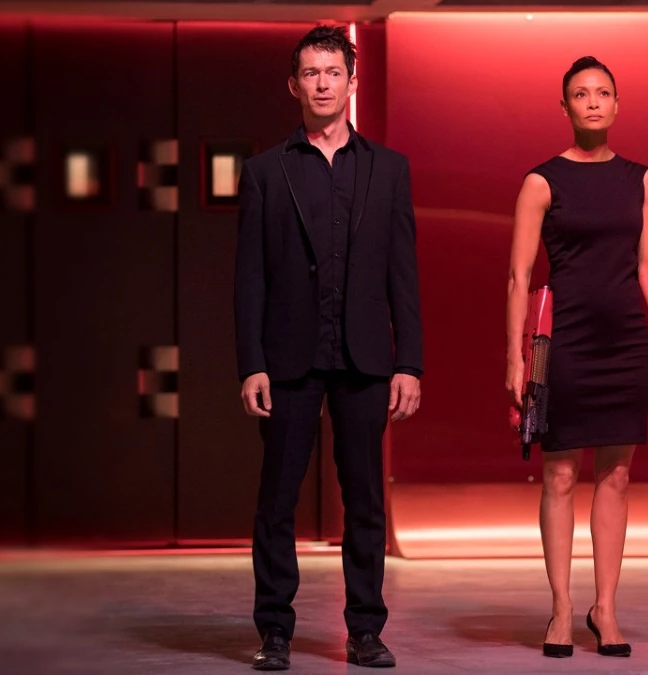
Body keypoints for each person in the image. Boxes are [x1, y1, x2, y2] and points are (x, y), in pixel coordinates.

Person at [235, 24, 423, 671]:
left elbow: (403, 273)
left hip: (365, 359)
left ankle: (366, 630)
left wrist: (409, 362)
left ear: (351, 82)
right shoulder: (265, 171)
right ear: (294, 85)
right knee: (277, 501)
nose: (322, 84)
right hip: (288, 357)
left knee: (365, 499)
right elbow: (249, 277)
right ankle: (274, 632)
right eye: (311, 73)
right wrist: (251, 363)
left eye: (333, 72)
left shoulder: (389, 169)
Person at [505, 56, 648, 659]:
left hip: (625, 339)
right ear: (565, 107)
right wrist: (515, 358)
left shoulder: (641, 179)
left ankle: (605, 608)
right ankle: (559, 608)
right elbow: (519, 276)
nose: (593, 102)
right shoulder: (542, 181)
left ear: (617, 104)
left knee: (617, 474)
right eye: (581, 94)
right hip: (564, 343)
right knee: (558, 473)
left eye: (603, 93)